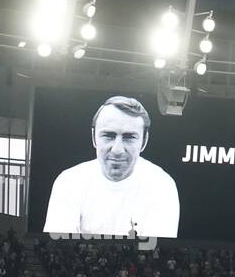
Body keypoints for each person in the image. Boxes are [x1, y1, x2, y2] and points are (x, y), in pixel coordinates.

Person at [43, 95, 180, 239]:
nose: (117, 149)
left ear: (144, 141)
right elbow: (60, 246)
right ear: (94, 137)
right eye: (108, 135)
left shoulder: (162, 186)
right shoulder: (68, 182)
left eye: (129, 137)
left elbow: (154, 253)